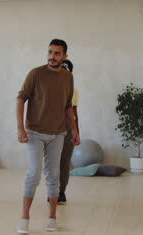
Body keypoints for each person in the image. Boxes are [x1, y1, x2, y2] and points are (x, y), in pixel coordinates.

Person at [16, 39, 80, 235]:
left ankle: (52, 217)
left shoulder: (68, 77)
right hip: (35, 132)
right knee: (34, 173)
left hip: (58, 134)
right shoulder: (36, 73)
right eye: (50, 52)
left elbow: (68, 106)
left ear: (65, 56)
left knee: (54, 176)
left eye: (57, 53)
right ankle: (24, 218)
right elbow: (21, 98)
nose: (52, 56)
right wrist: (20, 128)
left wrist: (74, 131)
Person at [58, 59, 79, 204]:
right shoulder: (49, 87)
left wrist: (76, 131)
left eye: (66, 69)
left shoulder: (74, 91)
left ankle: (61, 192)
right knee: (52, 162)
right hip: (51, 126)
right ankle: (52, 191)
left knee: (64, 162)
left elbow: (74, 114)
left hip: (67, 127)